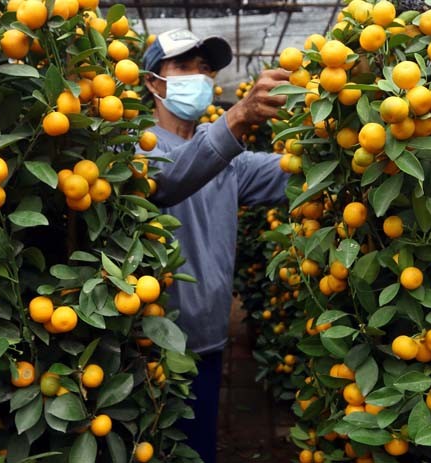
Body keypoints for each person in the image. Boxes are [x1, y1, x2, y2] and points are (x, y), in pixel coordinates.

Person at [139, 29, 291, 463]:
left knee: (199, 448)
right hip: (150, 346)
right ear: (153, 82)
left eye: (205, 69)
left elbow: (288, 173)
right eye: (183, 67)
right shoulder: (132, 146)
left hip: (209, 339)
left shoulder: (227, 159)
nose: (198, 76)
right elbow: (167, 179)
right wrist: (238, 117)